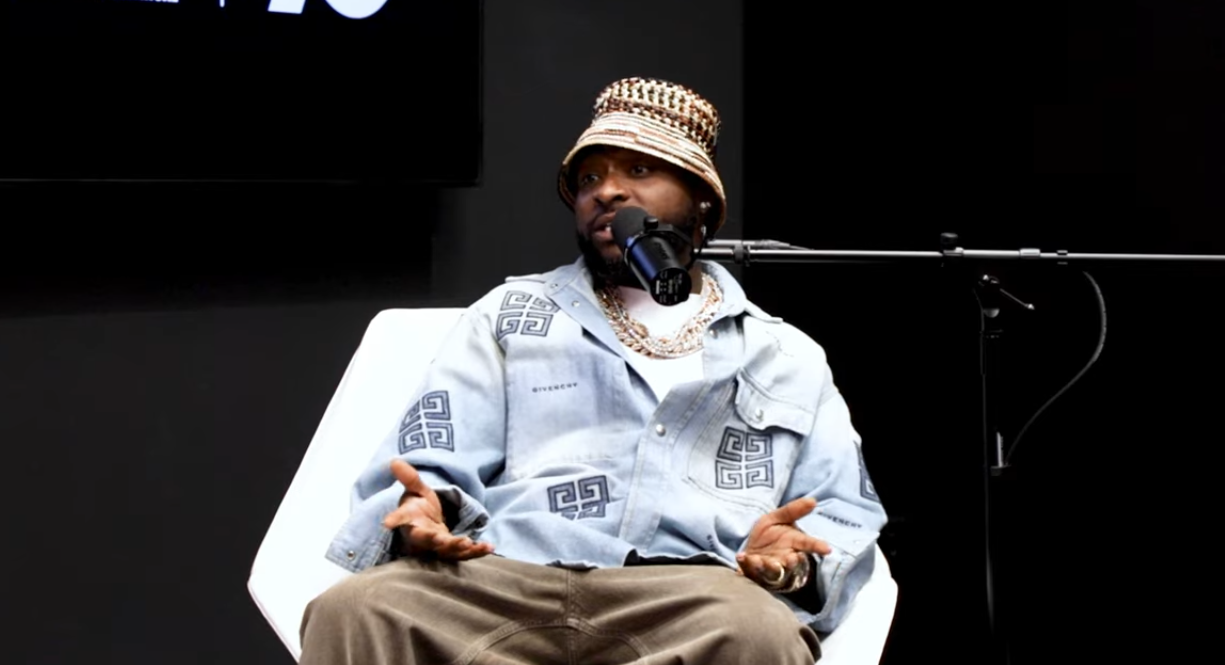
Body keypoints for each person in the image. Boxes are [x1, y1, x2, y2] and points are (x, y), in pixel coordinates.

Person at [299, 77, 888, 665]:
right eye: (589, 179)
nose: (607, 191)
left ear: (702, 200)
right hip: (504, 581)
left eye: (639, 170)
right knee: (358, 608)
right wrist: (423, 512)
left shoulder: (784, 355)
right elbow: (430, 463)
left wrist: (793, 567)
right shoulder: (510, 315)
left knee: (758, 630)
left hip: (689, 597)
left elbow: (840, 514)